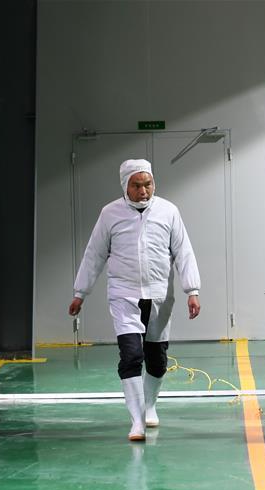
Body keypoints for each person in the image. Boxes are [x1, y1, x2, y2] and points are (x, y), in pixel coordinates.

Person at [69, 159, 201, 441]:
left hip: (160, 295)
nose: (143, 191)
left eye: (148, 184)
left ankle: (149, 406)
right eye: (136, 185)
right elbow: (94, 254)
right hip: (123, 294)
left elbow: (183, 251)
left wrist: (192, 290)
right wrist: (80, 293)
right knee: (131, 356)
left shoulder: (168, 211)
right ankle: (137, 421)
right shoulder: (110, 214)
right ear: (125, 186)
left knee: (157, 360)